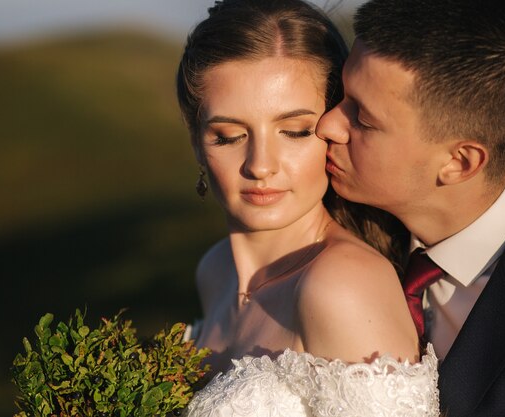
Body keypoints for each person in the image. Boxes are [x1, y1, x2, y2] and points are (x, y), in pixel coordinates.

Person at [315, 0, 505, 415]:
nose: (328, 125)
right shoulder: (328, 223)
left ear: (459, 162)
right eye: (342, 95)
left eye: (364, 120)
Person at [176, 0, 439, 415]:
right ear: (197, 142)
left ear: (334, 130)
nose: (261, 165)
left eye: (295, 131)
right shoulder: (214, 270)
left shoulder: (341, 286)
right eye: (228, 135)